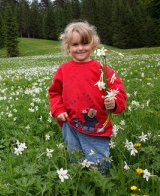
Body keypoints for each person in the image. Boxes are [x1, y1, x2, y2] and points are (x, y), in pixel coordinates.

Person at [48, 21, 127, 175]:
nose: (80, 48)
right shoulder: (63, 70)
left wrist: (114, 102)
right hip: (71, 124)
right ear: (68, 47)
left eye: (85, 43)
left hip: (98, 126)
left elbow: (118, 90)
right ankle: (80, 181)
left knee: (99, 164)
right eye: (75, 44)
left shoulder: (102, 68)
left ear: (93, 43)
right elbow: (54, 93)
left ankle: (101, 185)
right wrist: (58, 110)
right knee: (76, 160)